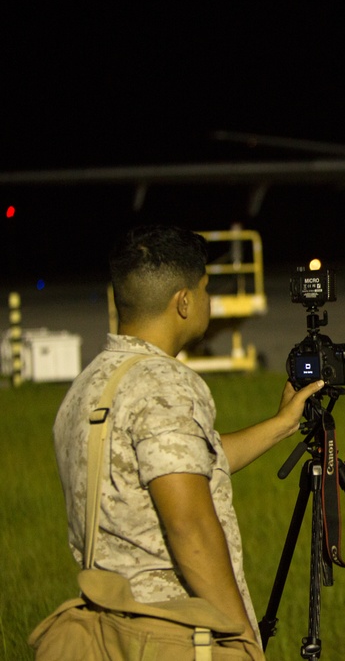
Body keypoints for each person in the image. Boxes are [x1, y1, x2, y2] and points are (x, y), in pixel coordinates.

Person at [52, 224, 325, 652]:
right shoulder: (165, 384)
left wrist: (282, 423)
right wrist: (241, 637)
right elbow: (190, 525)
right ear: (183, 302)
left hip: (108, 631)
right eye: (205, 289)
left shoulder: (90, 385)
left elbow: (183, 463)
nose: (208, 301)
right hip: (170, 632)